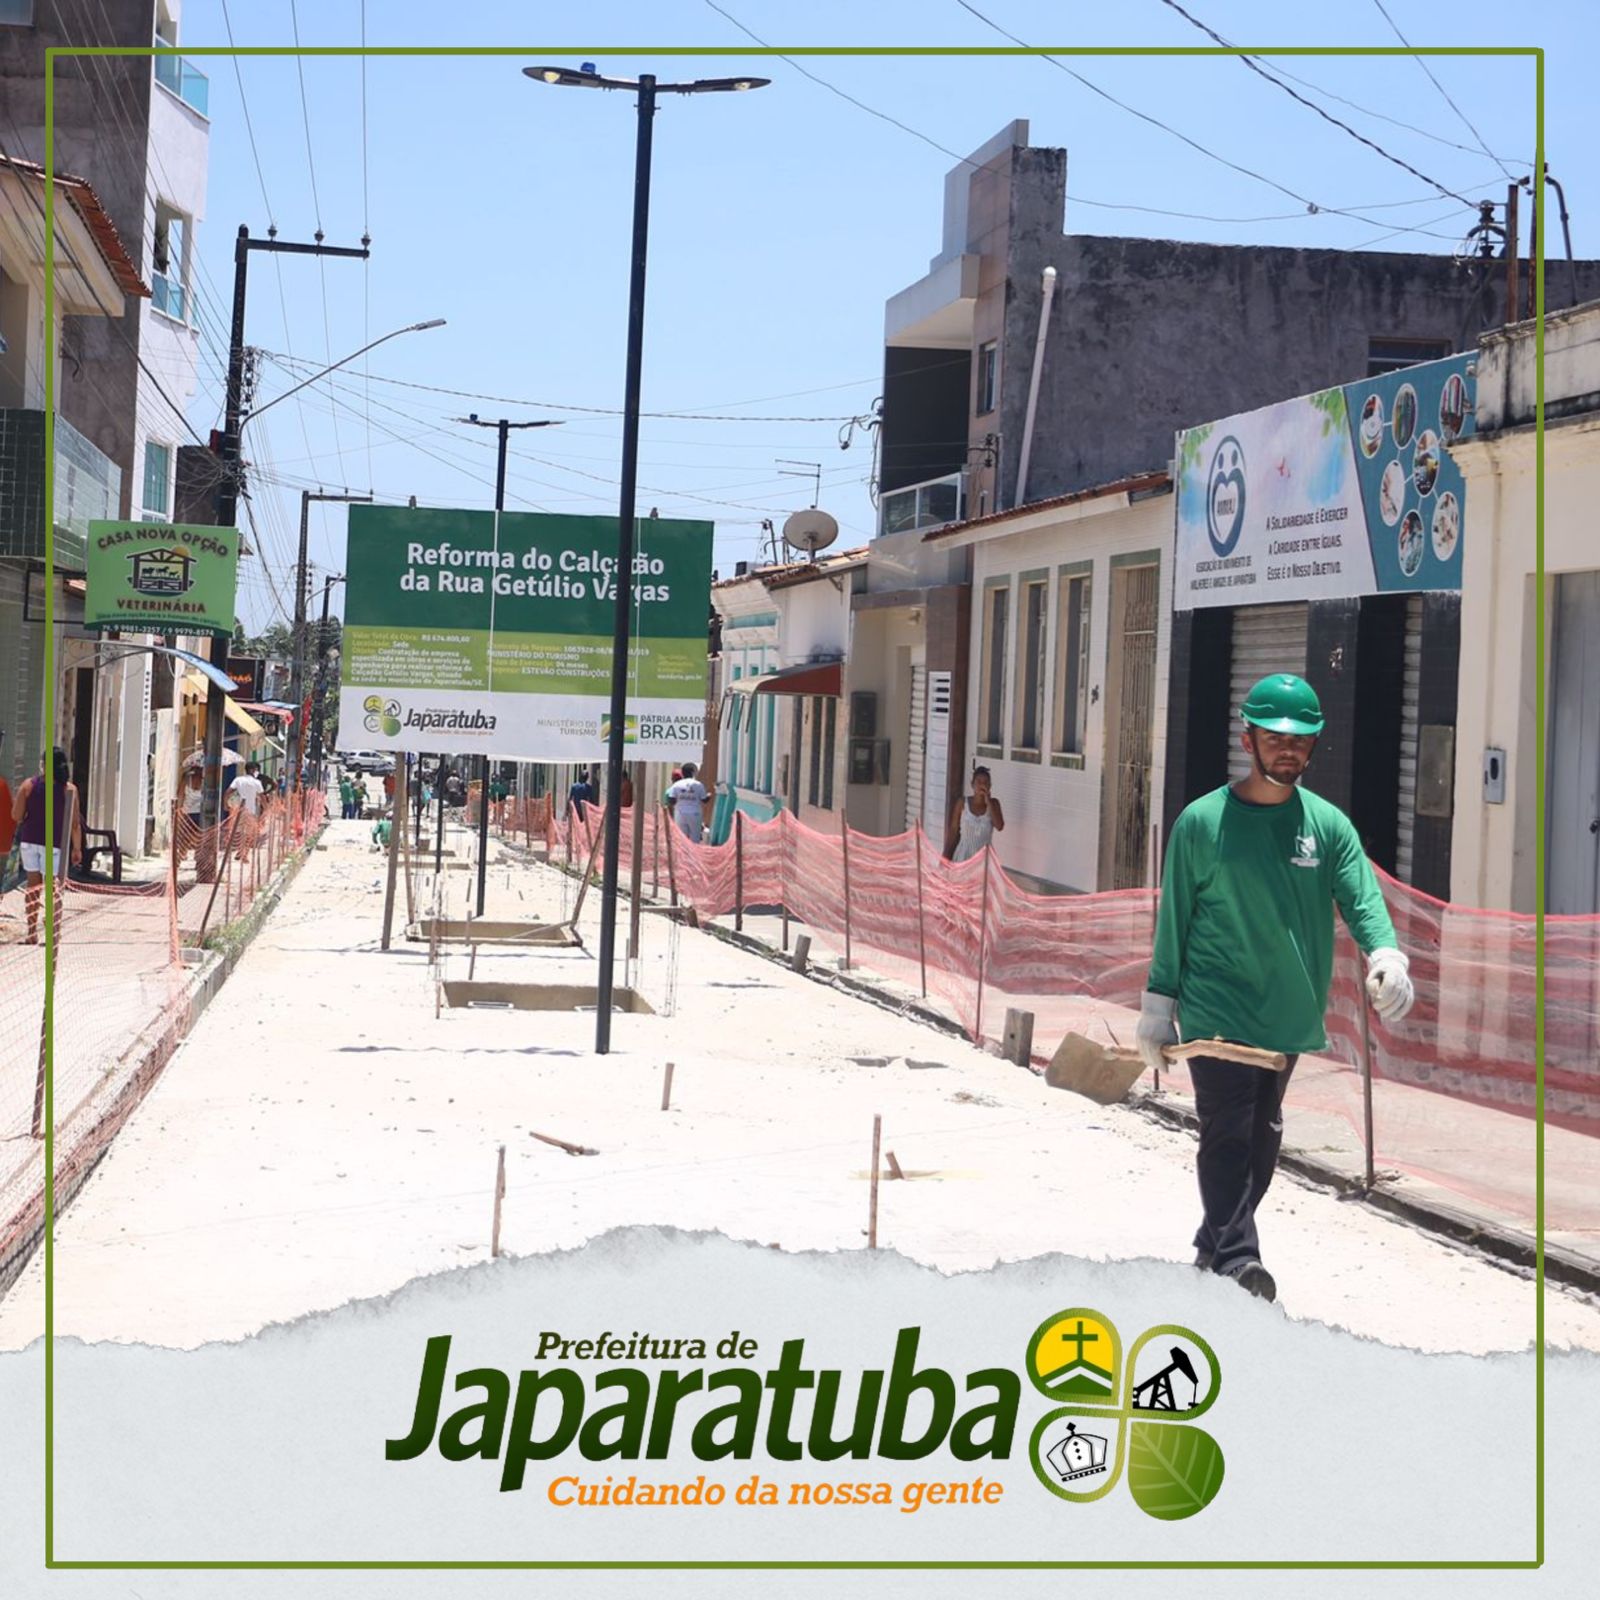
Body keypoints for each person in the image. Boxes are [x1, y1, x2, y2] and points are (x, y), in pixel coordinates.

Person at [1137, 674, 1416, 1304]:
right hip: (1216, 1009)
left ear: (1313, 745)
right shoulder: (1202, 823)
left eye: (1300, 739)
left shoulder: (1328, 826)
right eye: (1274, 738)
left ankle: (1212, 1248)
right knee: (1227, 1131)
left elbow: (1362, 899)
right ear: (1248, 741)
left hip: (1287, 1014)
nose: (1288, 749)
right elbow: (1175, 918)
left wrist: (1386, 955)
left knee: (1261, 1142)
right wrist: (1158, 1007)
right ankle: (1241, 1262)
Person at [10, 748, 84, 944]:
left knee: (32, 887)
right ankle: (51, 933)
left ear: (43, 764)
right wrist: (77, 848)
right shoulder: (69, 789)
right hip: (55, 845)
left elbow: (16, 815)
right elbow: (75, 824)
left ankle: (31, 932)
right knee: (53, 889)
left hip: (29, 841)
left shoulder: (28, 785)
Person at [945, 766, 1005, 863]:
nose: (982, 785)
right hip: (964, 856)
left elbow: (999, 826)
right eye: (979, 782)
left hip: (984, 859)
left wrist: (988, 802)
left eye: (985, 782)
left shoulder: (994, 803)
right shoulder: (962, 803)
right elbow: (953, 832)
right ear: (972, 784)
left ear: (990, 786)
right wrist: (945, 857)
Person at [665, 761, 708, 843]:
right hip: (695, 814)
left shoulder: (677, 785)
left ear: (683, 773)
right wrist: (709, 796)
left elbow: (671, 799)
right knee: (695, 838)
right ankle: (693, 851)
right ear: (693, 773)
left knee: (682, 839)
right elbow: (704, 800)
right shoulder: (699, 785)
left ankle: (683, 851)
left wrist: (680, 799)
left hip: (680, 813)